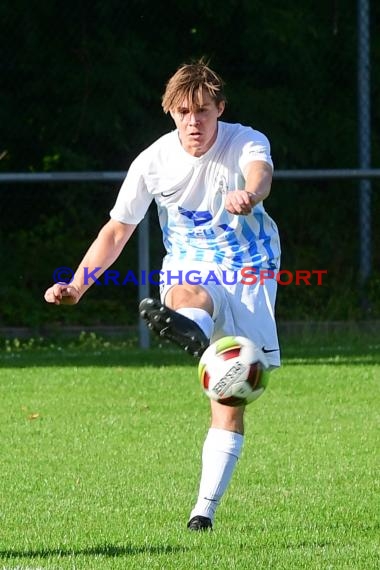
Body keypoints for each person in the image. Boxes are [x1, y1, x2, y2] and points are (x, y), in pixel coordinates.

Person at [44, 59, 281, 531]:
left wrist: (249, 195)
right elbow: (116, 231)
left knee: (229, 396)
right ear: (169, 112)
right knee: (188, 290)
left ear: (220, 109)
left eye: (203, 111)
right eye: (183, 111)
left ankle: (204, 511)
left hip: (250, 272)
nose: (193, 122)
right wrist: (77, 284)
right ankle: (189, 329)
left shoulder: (245, 140)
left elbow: (261, 174)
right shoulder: (153, 160)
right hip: (191, 265)